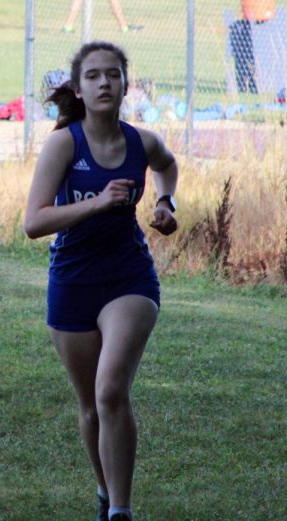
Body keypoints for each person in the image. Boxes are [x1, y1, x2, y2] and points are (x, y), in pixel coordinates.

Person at [23, 41, 178, 521]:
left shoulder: (141, 142)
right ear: (79, 88)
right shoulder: (64, 143)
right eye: (93, 76)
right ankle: (104, 490)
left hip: (128, 276)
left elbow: (166, 165)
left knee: (111, 390)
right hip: (72, 280)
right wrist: (97, 202)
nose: (105, 83)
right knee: (90, 405)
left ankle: (120, 510)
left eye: (113, 75)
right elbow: (34, 222)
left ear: (126, 85)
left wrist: (165, 202)